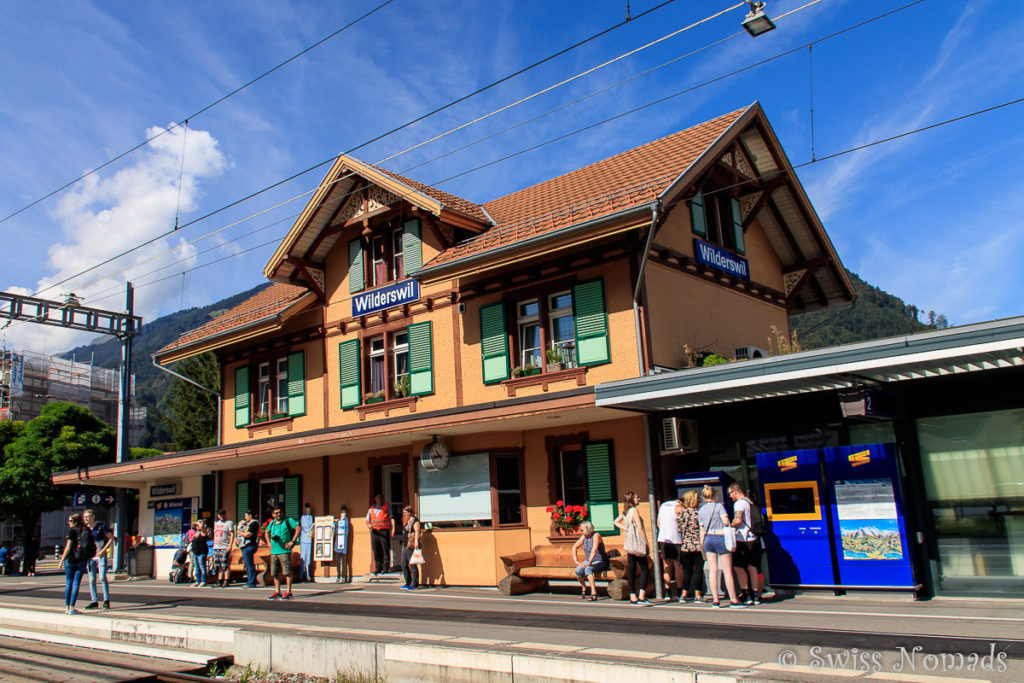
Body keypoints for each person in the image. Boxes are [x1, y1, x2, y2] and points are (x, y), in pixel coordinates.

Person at [698, 485, 743, 608]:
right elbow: (726, 522)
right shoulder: (719, 506)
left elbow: (701, 529)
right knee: (727, 571)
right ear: (714, 495)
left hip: (707, 539)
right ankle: (733, 599)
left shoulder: (701, 510)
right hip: (720, 537)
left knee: (713, 570)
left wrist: (702, 544)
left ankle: (715, 600)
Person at [614, 491, 651, 606]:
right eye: (636, 497)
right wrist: (646, 542)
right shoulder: (634, 510)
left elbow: (616, 522)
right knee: (644, 569)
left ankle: (632, 596)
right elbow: (640, 528)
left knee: (631, 569)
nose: (638, 499)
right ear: (631, 500)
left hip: (629, 544)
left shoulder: (625, 512)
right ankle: (642, 596)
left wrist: (626, 528)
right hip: (637, 543)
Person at [728, 483, 762, 606]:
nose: (730, 496)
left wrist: (728, 527)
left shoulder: (739, 503)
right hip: (754, 538)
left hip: (743, 539)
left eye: (730, 494)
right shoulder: (750, 501)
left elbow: (738, 520)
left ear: (735, 492)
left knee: (739, 567)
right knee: (752, 567)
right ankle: (755, 594)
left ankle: (745, 593)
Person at [264, 505, 300, 600]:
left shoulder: (288, 521)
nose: (278, 514)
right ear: (273, 514)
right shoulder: (272, 523)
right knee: (275, 572)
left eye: (280, 512)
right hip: (274, 552)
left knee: (287, 572)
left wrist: (292, 541)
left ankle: (288, 592)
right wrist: (268, 542)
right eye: (276, 513)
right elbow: (266, 532)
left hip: (284, 551)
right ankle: (277, 591)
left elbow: (298, 529)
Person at [58, 514, 91, 615]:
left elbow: (68, 547)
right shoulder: (86, 530)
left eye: (71, 521)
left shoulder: (72, 531)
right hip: (81, 560)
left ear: (76, 521)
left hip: (71, 559)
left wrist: (62, 560)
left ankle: (67, 607)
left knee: (69, 583)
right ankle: (72, 607)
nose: (69, 523)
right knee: (76, 583)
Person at [676, 489, 704, 603]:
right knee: (698, 570)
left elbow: (679, 529)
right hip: (697, 545)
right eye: (698, 499)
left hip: (685, 545)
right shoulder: (698, 513)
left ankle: (684, 594)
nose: (699, 500)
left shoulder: (682, 513)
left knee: (686, 571)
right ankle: (698, 595)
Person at [82, 509, 114, 609]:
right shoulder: (85, 529)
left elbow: (111, 538)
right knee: (92, 579)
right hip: (90, 557)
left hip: (100, 555)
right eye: (84, 517)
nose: (86, 519)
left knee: (102, 577)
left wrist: (103, 551)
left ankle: (106, 600)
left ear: (93, 516)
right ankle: (94, 600)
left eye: (88, 516)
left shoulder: (100, 526)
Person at [572, 521, 610, 601]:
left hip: (600, 561)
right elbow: (575, 547)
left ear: (587, 529)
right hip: (589, 560)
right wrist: (577, 561)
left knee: (588, 569)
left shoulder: (596, 535)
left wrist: (589, 562)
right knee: (578, 570)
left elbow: (594, 549)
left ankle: (593, 593)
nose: (581, 532)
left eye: (582, 530)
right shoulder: (584, 537)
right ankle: (584, 587)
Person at [656, 495, 684, 600]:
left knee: (666, 565)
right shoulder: (678, 507)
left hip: (663, 538)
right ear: (681, 502)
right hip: (676, 539)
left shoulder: (663, 506)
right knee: (678, 566)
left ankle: (667, 592)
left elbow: (658, 523)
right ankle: (679, 592)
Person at [365, 494, 393, 575]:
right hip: (375, 531)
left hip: (384, 530)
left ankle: (386, 567)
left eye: (380, 498)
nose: (379, 499)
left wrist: (393, 528)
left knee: (385, 548)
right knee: (375, 548)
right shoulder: (371, 509)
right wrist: (368, 525)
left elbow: (391, 517)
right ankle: (378, 567)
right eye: (377, 498)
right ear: (375, 499)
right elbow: (367, 520)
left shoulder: (386, 507)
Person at [399, 505, 421, 591]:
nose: (404, 515)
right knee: (404, 564)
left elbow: (417, 531)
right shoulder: (408, 521)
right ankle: (408, 582)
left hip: (411, 545)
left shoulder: (415, 521)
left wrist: (416, 542)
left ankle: (414, 584)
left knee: (412, 564)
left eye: (405, 513)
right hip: (405, 545)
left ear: (410, 513)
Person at [237, 509, 261, 588]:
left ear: (250, 515)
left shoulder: (254, 523)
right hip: (245, 545)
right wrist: (241, 525)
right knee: (247, 564)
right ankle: (250, 580)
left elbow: (248, 534)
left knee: (249, 564)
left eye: (246, 516)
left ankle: (251, 582)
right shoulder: (247, 524)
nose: (245, 518)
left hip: (250, 545)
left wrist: (239, 532)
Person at [212, 509, 236, 588]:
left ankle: (226, 580)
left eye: (222, 514)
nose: (221, 516)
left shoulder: (229, 523)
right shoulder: (216, 523)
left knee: (225, 564)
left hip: (224, 546)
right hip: (216, 546)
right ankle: (219, 580)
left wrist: (230, 545)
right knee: (218, 565)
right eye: (219, 515)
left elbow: (232, 534)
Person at [189, 520, 210, 587]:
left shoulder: (204, 532)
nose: (196, 527)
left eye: (198, 526)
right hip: (195, 552)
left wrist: (198, 523)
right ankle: (197, 581)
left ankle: (203, 580)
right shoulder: (197, 533)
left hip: (202, 552)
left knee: (202, 566)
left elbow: (202, 527)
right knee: (197, 567)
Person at [334, 505, 351, 584]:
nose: (342, 513)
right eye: (341, 512)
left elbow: (346, 531)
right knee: (338, 562)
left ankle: (344, 577)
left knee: (344, 562)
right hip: (337, 544)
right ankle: (338, 576)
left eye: (344, 512)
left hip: (343, 544)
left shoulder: (346, 520)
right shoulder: (338, 521)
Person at [299, 503, 314, 582]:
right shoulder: (303, 517)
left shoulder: (311, 517)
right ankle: (301, 574)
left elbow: (311, 526)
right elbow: (305, 527)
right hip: (304, 539)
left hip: (309, 540)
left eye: (309, 509)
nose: (308, 511)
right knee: (303, 557)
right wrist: (311, 527)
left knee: (308, 558)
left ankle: (307, 574)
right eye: (307, 509)